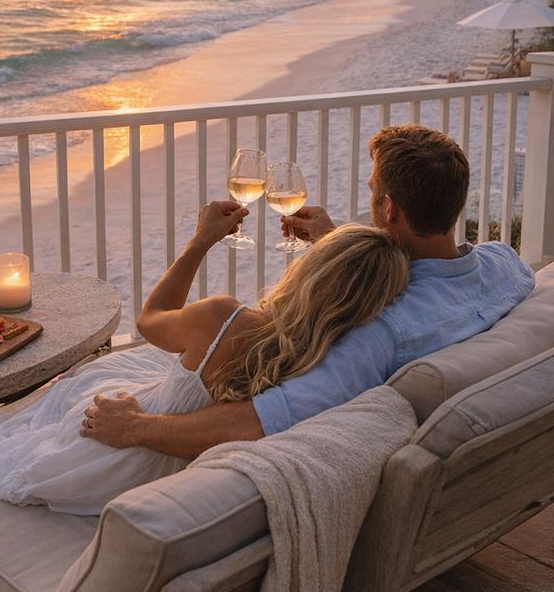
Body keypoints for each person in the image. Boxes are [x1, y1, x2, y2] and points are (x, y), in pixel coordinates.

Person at [80, 124, 535, 457]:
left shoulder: (382, 331)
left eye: (374, 190)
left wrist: (137, 427)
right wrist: (337, 245)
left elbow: (262, 419)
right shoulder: (506, 266)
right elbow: (429, 277)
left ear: (390, 208)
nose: (373, 197)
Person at [0, 216, 409, 515]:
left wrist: (201, 240)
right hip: (189, 473)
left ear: (312, 269)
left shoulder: (226, 320)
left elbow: (150, 320)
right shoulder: (341, 354)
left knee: (84, 384)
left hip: (130, 452)